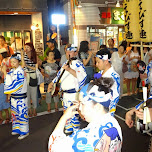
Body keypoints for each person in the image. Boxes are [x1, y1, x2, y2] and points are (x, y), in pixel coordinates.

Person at [48, 77, 122, 152]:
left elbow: (53, 146)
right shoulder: (114, 123)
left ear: (97, 107)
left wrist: (64, 118)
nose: (79, 108)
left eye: (82, 104)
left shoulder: (86, 137)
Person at [48, 45, 87, 133]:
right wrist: (52, 82)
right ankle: (68, 131)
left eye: (70, 52)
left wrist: (69, 69)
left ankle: (76, 132)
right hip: (65, 94)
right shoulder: (65, 63)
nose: (68, 54)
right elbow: (59, 75)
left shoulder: (78, 63)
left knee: (74, 114)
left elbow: (82, 76)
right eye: (67, 52)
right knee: (66, 113)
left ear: (75, 53)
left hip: (73, 94)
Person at [2, 53, 29, 140]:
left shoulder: (20, 71)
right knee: (15, 114)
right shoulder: (13, 70)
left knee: (21, 114)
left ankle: (24, 131)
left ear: (19, 62)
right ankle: (17, 129)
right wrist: (5, 72)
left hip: (20, 97)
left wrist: (5, 73)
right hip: (14, 97)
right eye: (12, 62)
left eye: (14, 62)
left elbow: (14, 84)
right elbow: (9, 77)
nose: (13, 63)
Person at [95, 48, 120, 115]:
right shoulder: (100, 72)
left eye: (98, 62)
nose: (96, 64)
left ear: (106, 61)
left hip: (105, 111)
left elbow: (115, 97)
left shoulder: (114, 76)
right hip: (96, 108)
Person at [21, 42, 38, 117]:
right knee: (27, 94)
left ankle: (34, 109)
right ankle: (29, 109)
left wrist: (27, 66)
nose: (26, 49)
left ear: (31, 48)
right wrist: (21, 56)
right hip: (26, 76)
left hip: (33, 75)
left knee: (34, 94)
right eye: (25, 47)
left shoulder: (35, 56)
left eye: (27, 47)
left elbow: (36, 68)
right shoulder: (24, 56)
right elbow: (22, 65)